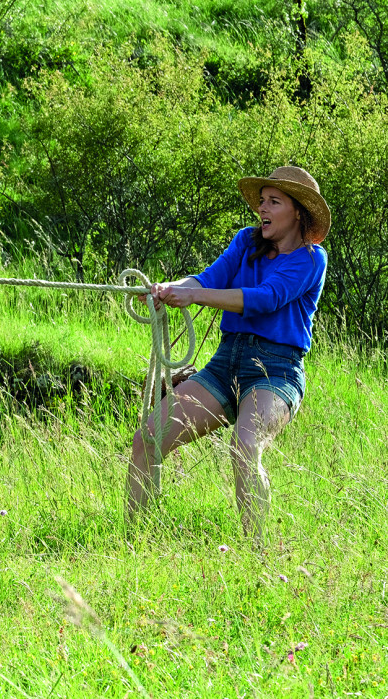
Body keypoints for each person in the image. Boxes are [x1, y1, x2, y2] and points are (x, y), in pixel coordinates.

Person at [125, 166, 330, 542]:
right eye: (262, 201)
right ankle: (133, 542)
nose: (262, 209)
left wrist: (194, 295)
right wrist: (171, 288)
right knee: (148, 438)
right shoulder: (244, 242)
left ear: (298, 212)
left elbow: (266, 299)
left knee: (245, 444)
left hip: (277, 372)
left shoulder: (311, 259)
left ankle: (258, 553)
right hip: (225, 364)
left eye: (274, 202)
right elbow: (207, 279)